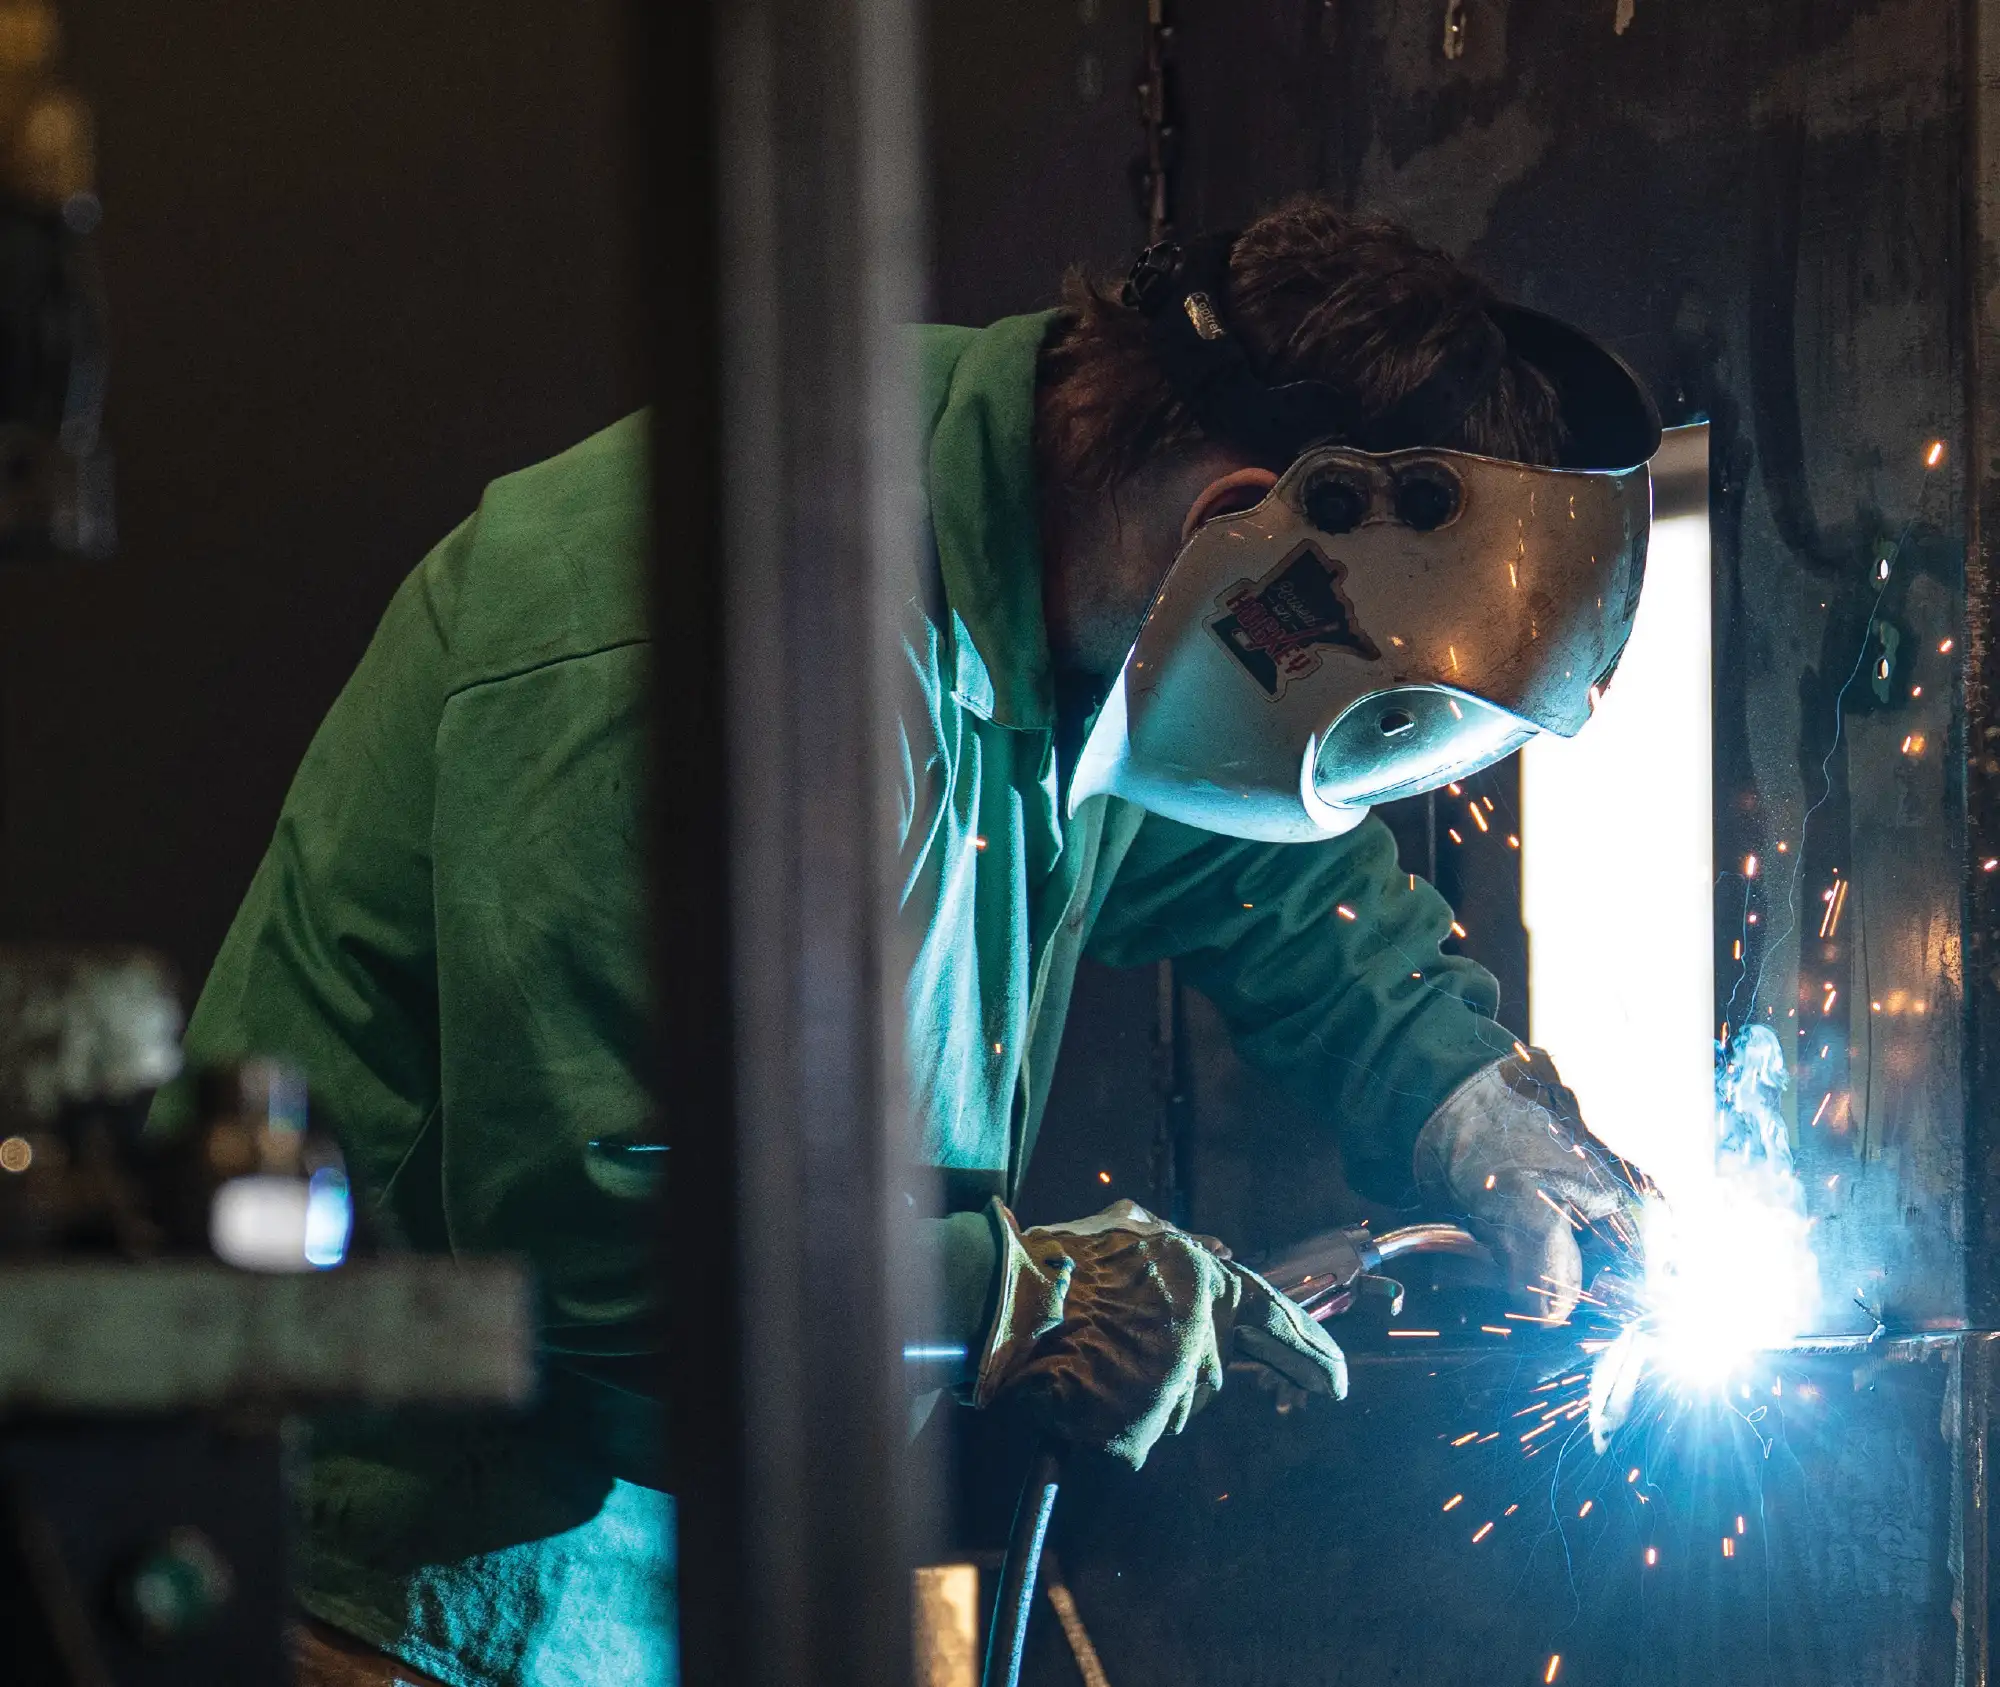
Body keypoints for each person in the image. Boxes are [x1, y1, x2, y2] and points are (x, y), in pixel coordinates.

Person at [183, 196, 1655, 1687]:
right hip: (380, 1582)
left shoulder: (1091, 593)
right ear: (1239, 525)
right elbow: (602, 1258)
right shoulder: (723, 641)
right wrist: (1015, 1301)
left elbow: (1274, 881)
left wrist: (1468, 1099)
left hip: (697, 1575)